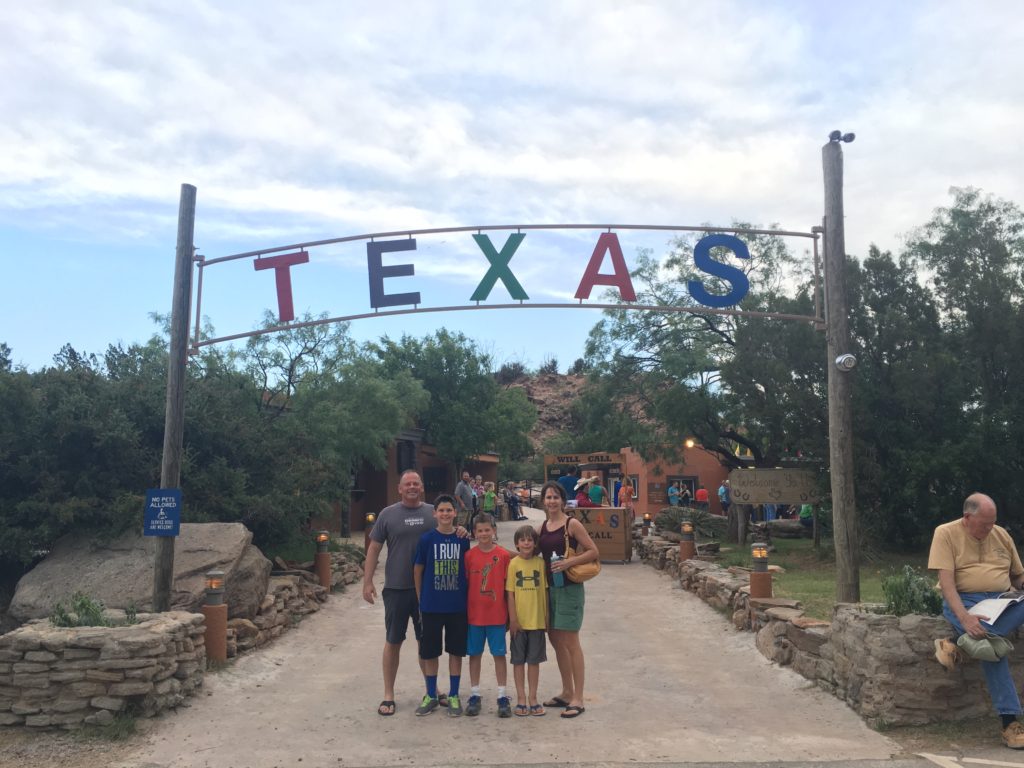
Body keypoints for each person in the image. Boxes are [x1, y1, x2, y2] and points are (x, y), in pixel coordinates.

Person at [929, 493, 1024, 749]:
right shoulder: (945, 533)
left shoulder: (1001, 535)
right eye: (985, 524)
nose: (990, 528)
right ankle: (1009, 723)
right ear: (967, 518)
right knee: (991, 648)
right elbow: (947, 584)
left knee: (986, 639)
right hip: (965, 601)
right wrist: (965, 618)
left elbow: (1017, 578)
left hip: (1001, 600)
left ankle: (955, 643)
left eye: (993, 522)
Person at [363, 470, 448, 717]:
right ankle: (388, 694)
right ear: (399, 489)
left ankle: (432, 690)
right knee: (393, 641)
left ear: (421, 487)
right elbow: (374, 548)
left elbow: (451, 532)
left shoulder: (433, 513)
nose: (412, 487)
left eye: (416, 483)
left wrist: (463, 532)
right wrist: (367, 581)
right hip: (396, 589)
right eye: (407, 484)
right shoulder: (388, 515)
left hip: (427, 591)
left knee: (427, 643)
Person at [538, 481, 600, 718]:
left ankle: (578, 698)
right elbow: (527, 550)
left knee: (571, 641)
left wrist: (568, 562)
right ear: (543, 501)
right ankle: (566, 691)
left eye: (555, 497)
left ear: (563, 501)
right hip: (550, 589)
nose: (552, 501)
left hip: (570, 588)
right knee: (555, 640)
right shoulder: (543, 526)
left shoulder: (572, 524)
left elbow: (593, 551)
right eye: (548, 497)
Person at [413, 494, 471, 716]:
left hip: (457, 606)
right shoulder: (427, 539)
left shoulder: (462, 539)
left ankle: (454, 695)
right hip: (431, 606)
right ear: (434, 513)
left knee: (455, 652)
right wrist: (421, 598)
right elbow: (417, 569)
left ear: (455, 513)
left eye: (449, 510)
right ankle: (431, 694)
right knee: (430, 653)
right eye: (441, 510)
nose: (445, 514)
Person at [464, 514, 513, 718]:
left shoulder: (503, 556)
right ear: (474, 533)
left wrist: (511, 615)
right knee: (474, 655)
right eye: (480, 530)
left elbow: (509, 588)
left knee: (499, 654)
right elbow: (466, 584)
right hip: (474, 616)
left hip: (497, 616)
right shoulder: (469, 556)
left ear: (494, 531)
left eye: (487, 530)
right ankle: (475, 694)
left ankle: (502, 695)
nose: (484, 534)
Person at [506, 524, 549, 717]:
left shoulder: (540, 563)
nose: (526, 543)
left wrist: (546, 616)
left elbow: (545, 592)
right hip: (520, 623)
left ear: (535, 543)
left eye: (530, 540)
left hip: (537, 621)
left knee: (534, 662)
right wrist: (512, 619)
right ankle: (521, 698)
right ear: (517, 544)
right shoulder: (513, 564)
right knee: (518, 661)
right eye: (522, 540)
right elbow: (510, 593)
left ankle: (533, 698)